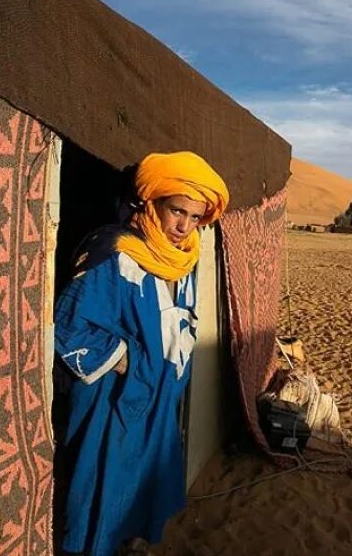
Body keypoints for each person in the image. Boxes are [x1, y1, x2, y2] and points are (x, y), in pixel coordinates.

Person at [54, 151, 229, 555]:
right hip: (112, 404)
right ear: (152, 204)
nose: (184, 226)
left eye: (195, 217)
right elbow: (66, 323)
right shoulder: (114, 253)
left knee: (145, 486)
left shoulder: (185, 260)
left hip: (159, 400)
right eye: (176, 211)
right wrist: (120, 358)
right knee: (103, 487)